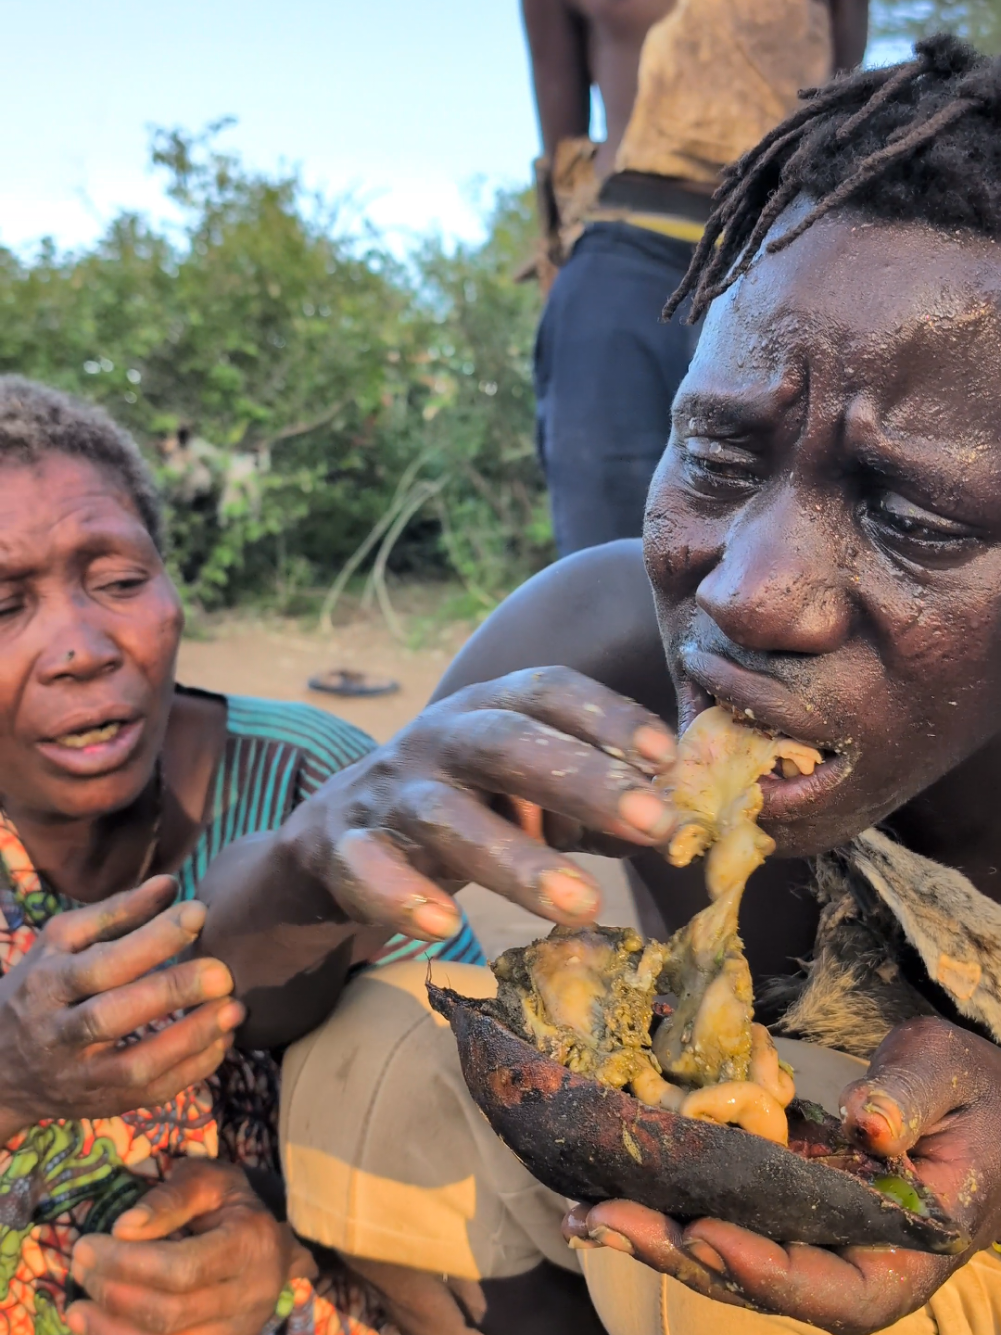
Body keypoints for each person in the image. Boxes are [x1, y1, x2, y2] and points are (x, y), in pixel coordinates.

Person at [198, 34, 1001, 1335]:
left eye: (912, 516)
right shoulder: (599, 639)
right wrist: (321, 854)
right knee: (379, 1051)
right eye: (722, 452)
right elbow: (254, 1006)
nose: (746, 591)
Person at [0, 376, 493, 1335]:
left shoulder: (314, 785)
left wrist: (274, 1246)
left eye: (118, 580)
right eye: (1, 604)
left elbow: (467, 1112)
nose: (82, 647)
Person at [521, 0, 869, 557]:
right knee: (608, 563)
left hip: (784, 261)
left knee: (794, 554)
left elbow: (840, 107)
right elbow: (561, 147)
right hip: (622, 266)